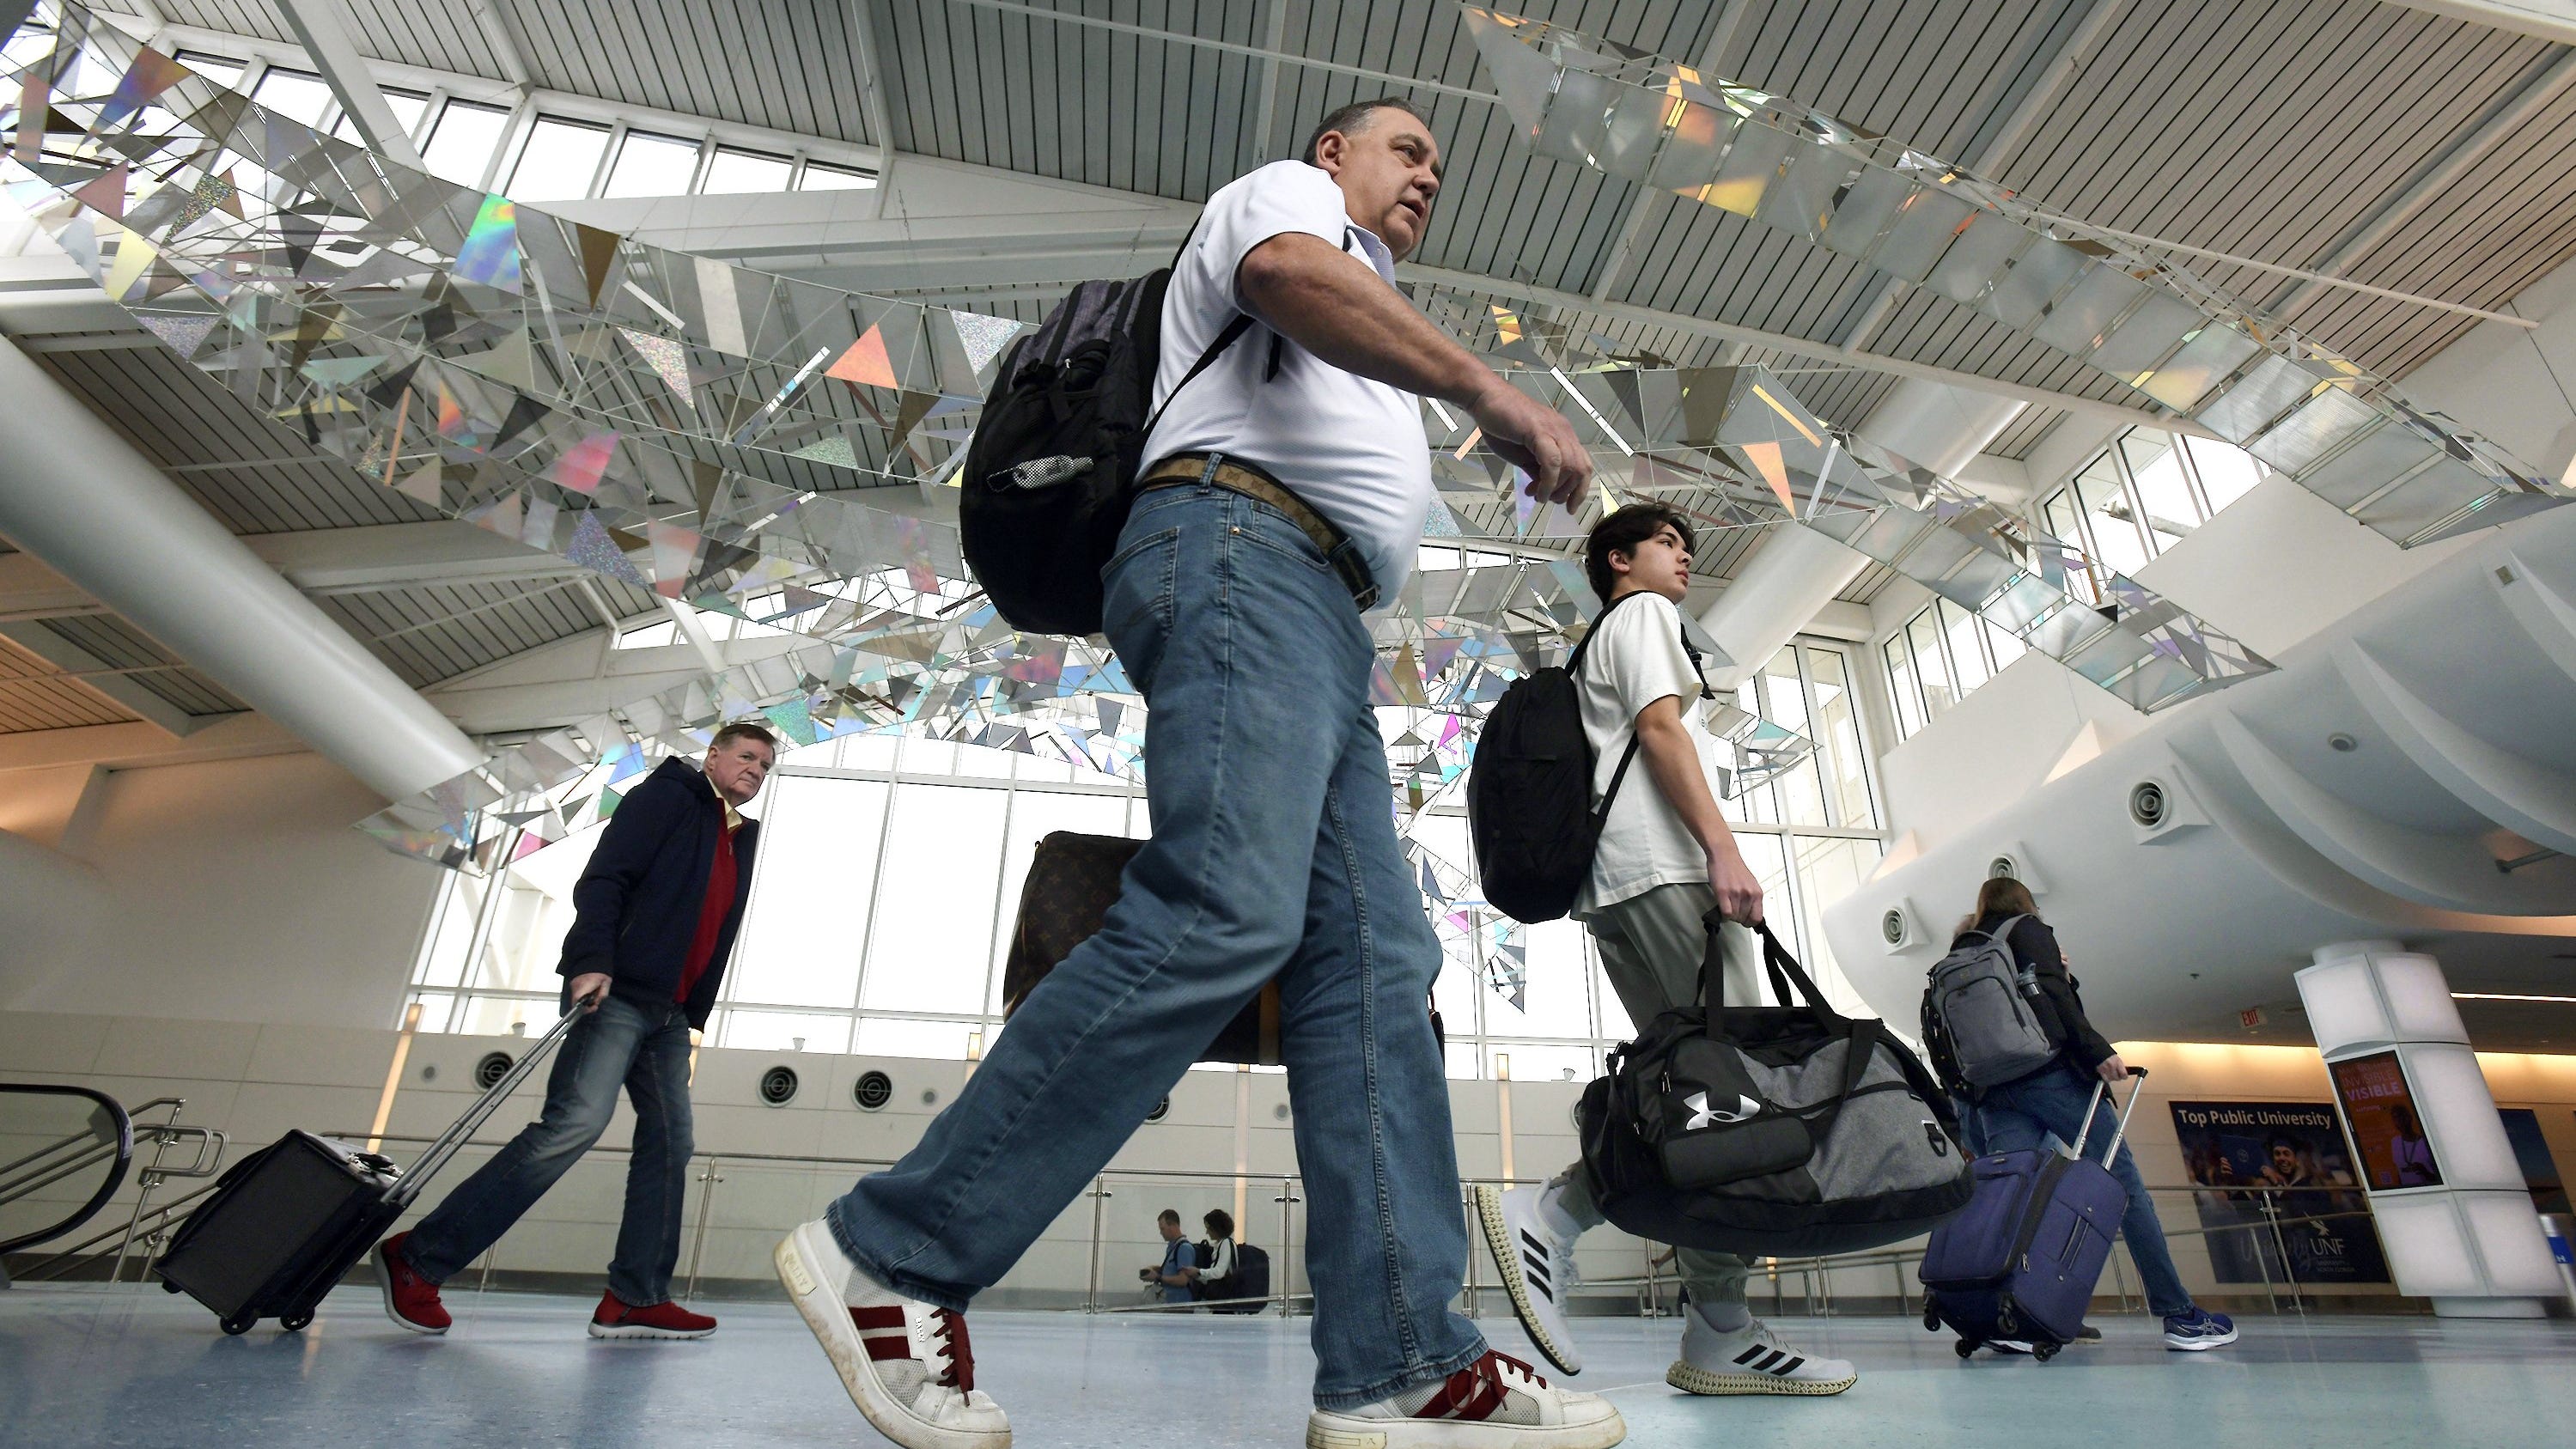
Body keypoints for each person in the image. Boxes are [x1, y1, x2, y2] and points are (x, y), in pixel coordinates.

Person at [772, 98, 1623, 1449]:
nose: (1426, 177)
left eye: (1437, 168)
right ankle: (897, 1249)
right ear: (1334, 154)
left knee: (1374, 966)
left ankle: (1398, 1355)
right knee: (1225, 901)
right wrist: (1486, 388)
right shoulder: (1286, 203)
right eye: (1405, 150)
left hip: (1316, 608)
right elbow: (1282, 277)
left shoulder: (1371, 296)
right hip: (1236, 549)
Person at [1474, 505, 1858, 1397]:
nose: (1684, 559)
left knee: (1707, 1101)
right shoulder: (1642, 616)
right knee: (1736, 1093)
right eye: (1667, 546)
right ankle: (1557, 1212)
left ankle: (1717, 1325)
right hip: (1664, 873)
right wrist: (1722, 847)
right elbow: (1660, 731)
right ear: (1620, 559)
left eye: (1687, 548)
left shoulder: (1593, 647)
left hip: (1613, 887)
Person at [376, 721, 776, 1339]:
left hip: (667, 1014)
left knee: (671, 1144)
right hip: (619, 990)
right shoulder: (668, 796)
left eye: (765, 764)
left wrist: (690, 1008)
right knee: (574, 1125)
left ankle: (636, 1296)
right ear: (713, 756)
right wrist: (592, 960)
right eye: (746, 755)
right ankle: (420, 1256)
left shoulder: (735, 836)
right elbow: (605, 876)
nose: (755, 768)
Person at [1938, 876, 2238, 1352]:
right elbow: (2054, 998)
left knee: (2014, 1201)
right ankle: (2178, 1314)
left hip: (1995, 1093)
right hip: (2051, 1077)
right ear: (2025, 901)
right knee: (2121, 1186)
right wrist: (2097, 1049)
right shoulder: (2028, 928)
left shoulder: (1965, 947)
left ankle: (2010, 1315)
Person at [1140, 1209, 1197, 1306]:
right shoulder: (1172, 1248)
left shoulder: (1184, 1249)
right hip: (1170, 1302)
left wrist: (1158, 1277)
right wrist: (1155, 1269)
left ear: (1173, 1226)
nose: (1161, 1233)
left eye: (1162, 1229)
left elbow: (1183, 1280)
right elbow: (1172, 1270)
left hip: (1180, 1304)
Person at [1191, 1208, 1240, 1302]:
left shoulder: (1226, 1243)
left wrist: (1198, 1271)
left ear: (1215, 1228)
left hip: (1225, 1299)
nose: (1207, 1232)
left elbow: (1218, 1273)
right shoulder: (1220, 1245)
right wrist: (1196, 1276)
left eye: (1208, 1229)